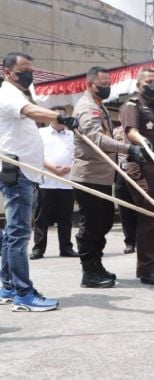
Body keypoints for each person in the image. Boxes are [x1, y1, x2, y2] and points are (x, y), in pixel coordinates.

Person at [0, 52, 78, 311]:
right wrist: (58, 117)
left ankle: (8, 286)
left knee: (13, 233)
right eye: (24, 70)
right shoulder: (9, 95)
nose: (29, 74)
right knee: (20, 235)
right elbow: (30, 111)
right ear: (8, 72)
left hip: (25, 174)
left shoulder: (18, 94)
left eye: (31, 70)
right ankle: (23, 293)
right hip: (17, 174)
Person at [72, 66, 146, 289]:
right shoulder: (86, 108)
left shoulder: (99, 106)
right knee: (92, 224)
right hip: (89, 175)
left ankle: (97, 264)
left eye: (108, 84)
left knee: (103, 221)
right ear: (89, 84)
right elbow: (96, 139)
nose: (106, 88)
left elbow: (106, 134)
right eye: (101, 85)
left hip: (103, 175)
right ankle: (89, 271)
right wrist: (127, 149)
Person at [120, 68, 154, 286]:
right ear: (139, 84)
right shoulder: (133, 105)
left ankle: (149, 265)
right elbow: (131, 131)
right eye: (149, 81)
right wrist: (142, 141)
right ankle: (146, 269)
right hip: (141, 167)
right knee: (148, 216)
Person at [30, 106, 79, 260]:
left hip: (67, 182)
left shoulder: (72, 135)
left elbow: (78, 155)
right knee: (41, 219)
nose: (61, 119)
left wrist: (70, 167)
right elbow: (34, 154)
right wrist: (51, 168)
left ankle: (66, 248)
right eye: (58, 116)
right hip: (46, 182)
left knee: (65, 218)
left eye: (64, 116)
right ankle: (38, 249)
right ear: (51, 117)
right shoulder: (40, 133)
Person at [112, 123, 138, 255]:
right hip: (121, 172)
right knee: (124, 208)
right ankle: (129, 242)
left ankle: (141, 240)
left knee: (140, 208)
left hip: (139, 172)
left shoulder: (138, 129)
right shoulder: (116, 131)